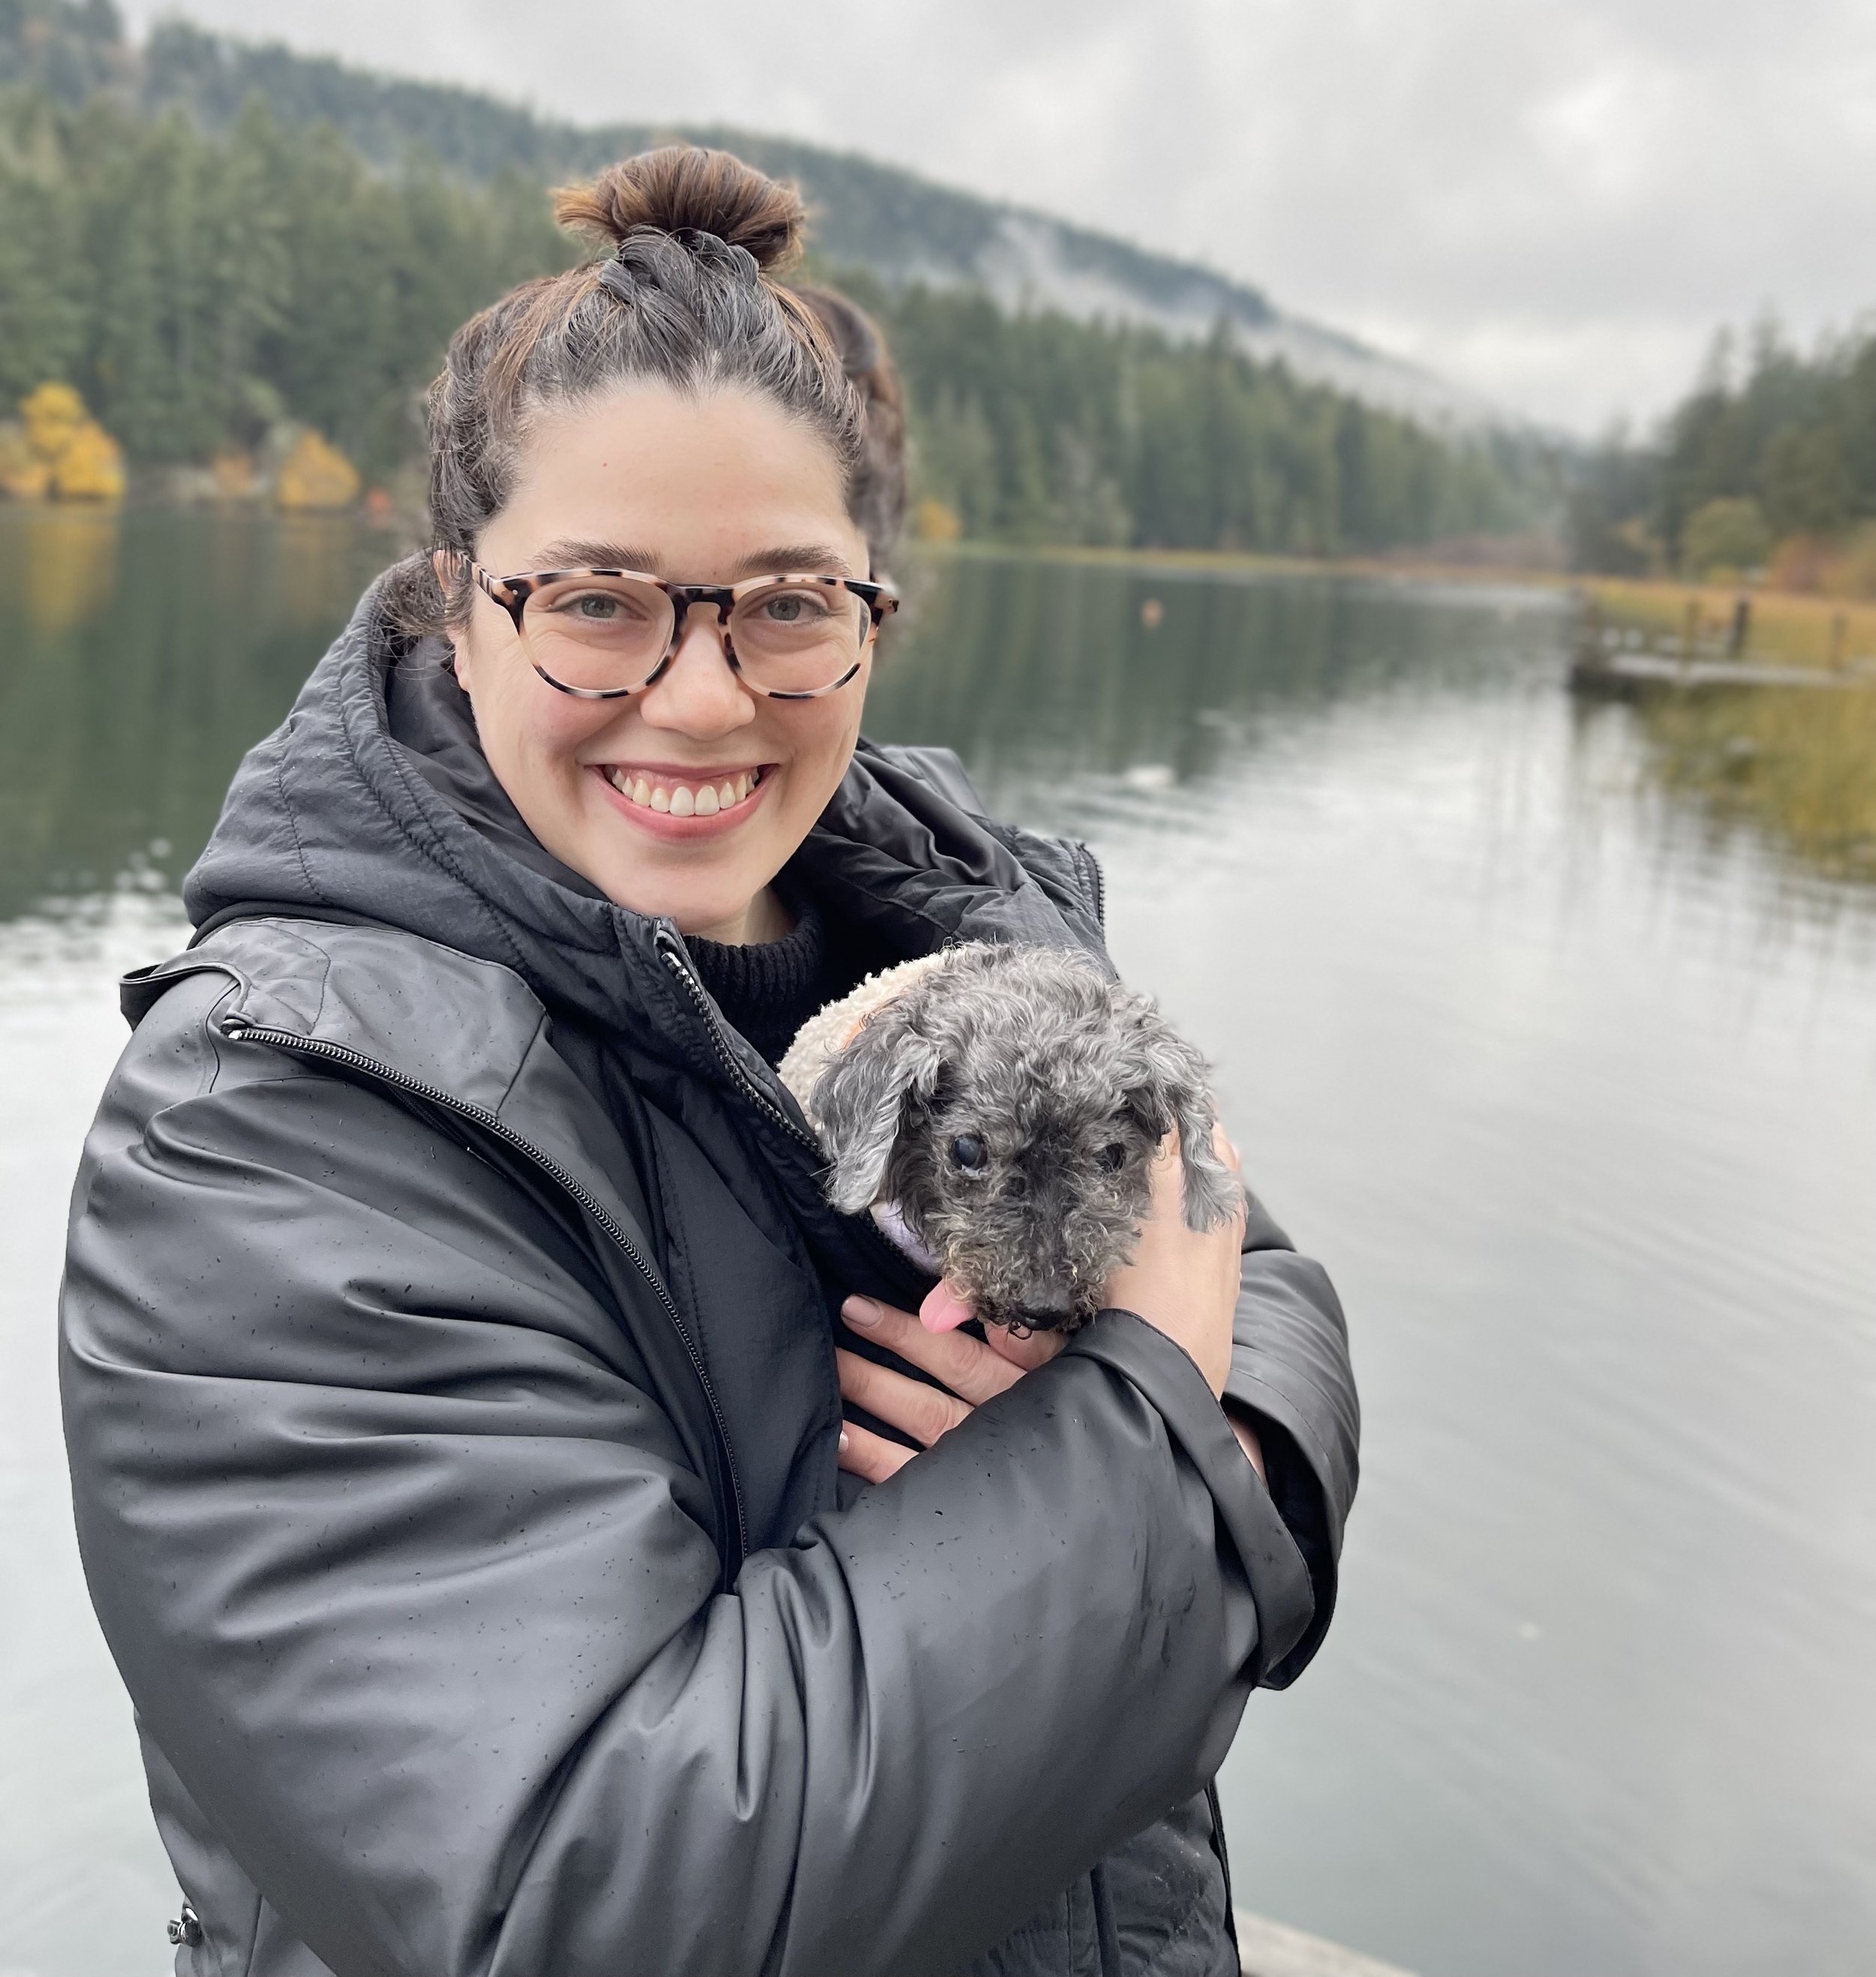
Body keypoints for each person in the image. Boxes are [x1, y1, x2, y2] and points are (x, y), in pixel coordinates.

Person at [61, 146, 1359, 1977]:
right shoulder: (265, 1123)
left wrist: (1175, 1424)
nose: (699, 692)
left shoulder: (949, 923)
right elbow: (591, 1897)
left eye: (786, 599)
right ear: (456, 591)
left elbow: (1248, 1263)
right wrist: (1144, 1450)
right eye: (597, 598)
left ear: (869, 604)